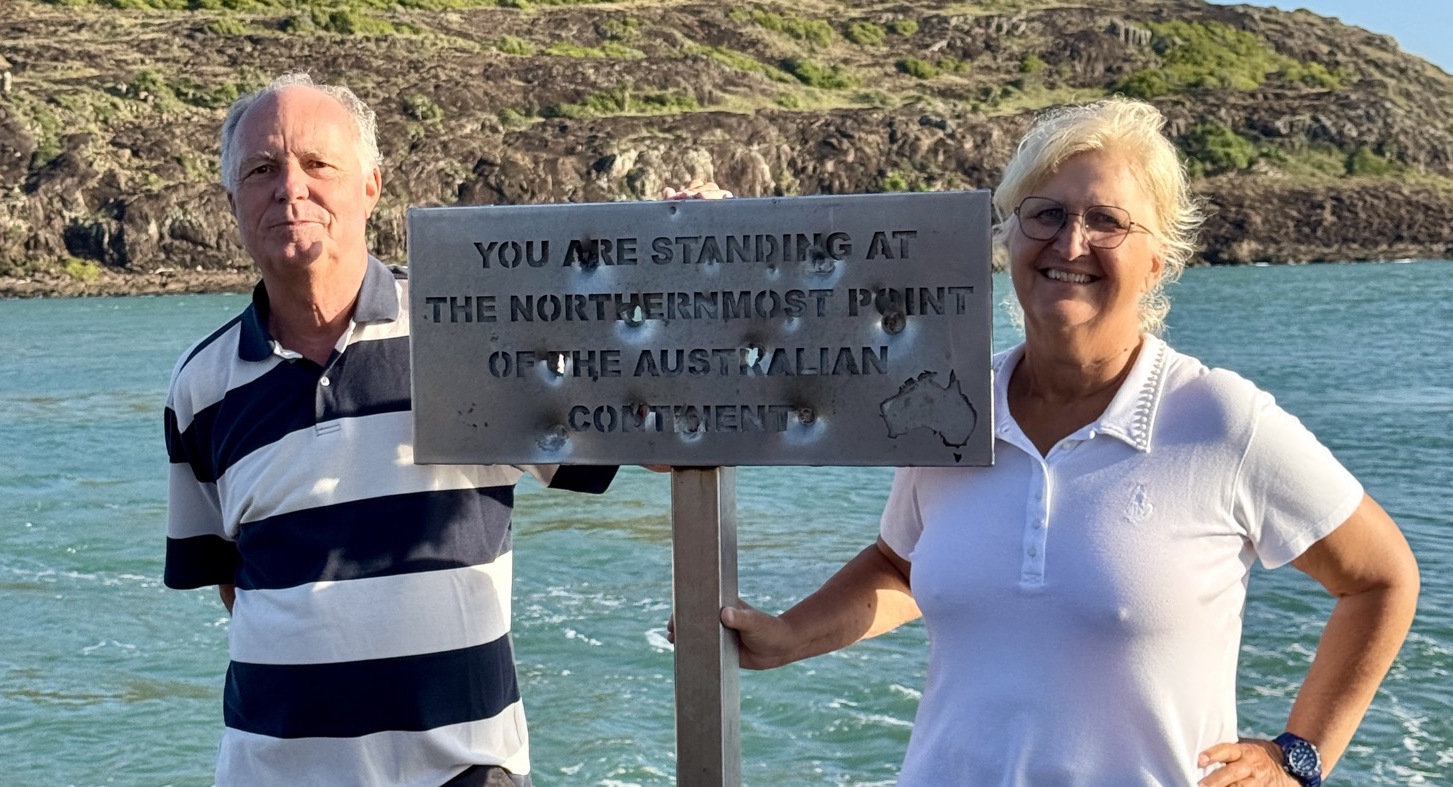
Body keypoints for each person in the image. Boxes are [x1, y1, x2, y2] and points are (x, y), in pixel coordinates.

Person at [717, 99, 1420, 786]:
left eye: (1106, 221)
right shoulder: (948, 404)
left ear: (1157, 261)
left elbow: (1380, 578)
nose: (1071, 243)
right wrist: (789, 636)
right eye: (1046, 214)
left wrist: (1297, 755)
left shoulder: (1218, 419)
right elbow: (903, 567)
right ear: (1009, 237)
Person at [162, 72, 712, 786]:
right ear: (230, 200)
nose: (290, 188)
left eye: (319, 163)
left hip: (463, 773)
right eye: (261, 169)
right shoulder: (200, 386)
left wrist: (693, 266)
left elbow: (661, 443)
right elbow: (235, 581)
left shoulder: (470, 332)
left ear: (371, 186)